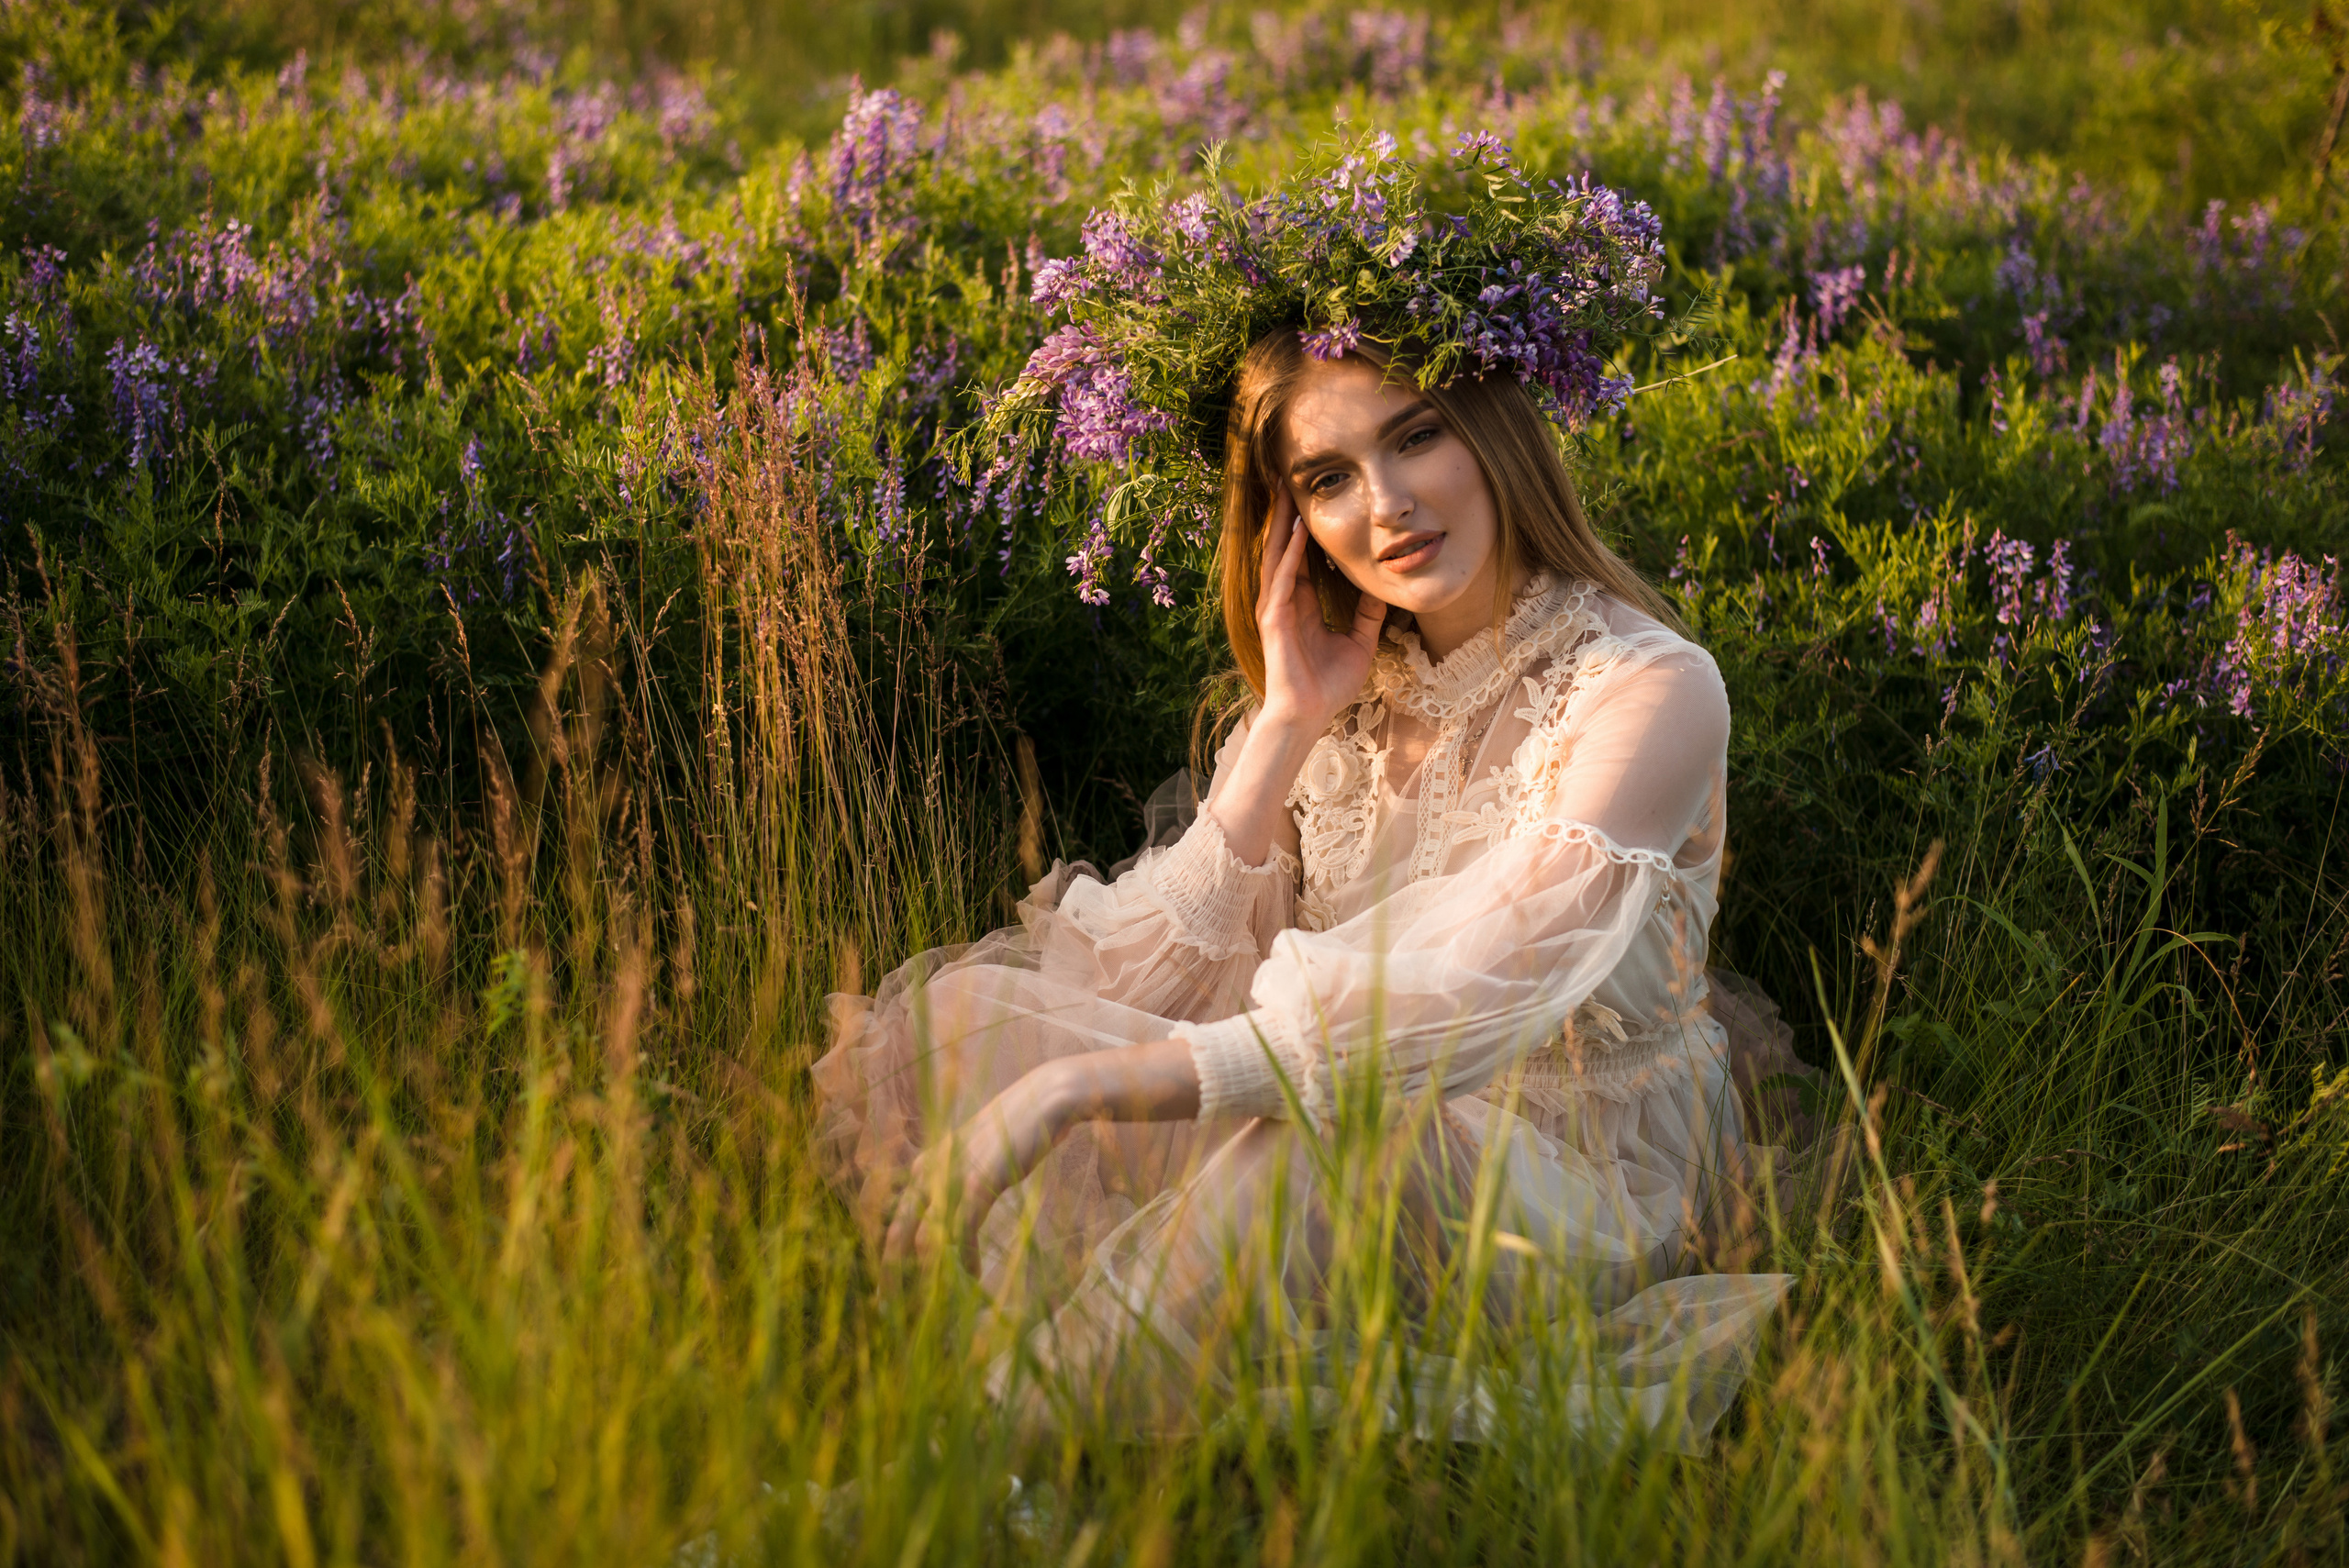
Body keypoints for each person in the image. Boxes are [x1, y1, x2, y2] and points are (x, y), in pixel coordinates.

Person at [814, 139, 1812, 1448]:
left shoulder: (1649, 685)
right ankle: (992, 1401)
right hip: (1357, 1098)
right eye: (1329, 478)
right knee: (972, 1024)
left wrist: (1076, 1092)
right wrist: (1287, 720)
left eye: (1417, 436)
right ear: (1288, 517)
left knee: (1300, 1143)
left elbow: (1481, 985)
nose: (1386, 505)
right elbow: (1147, 968)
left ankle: (984, 1453)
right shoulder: (1351, 682)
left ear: (1497, 426)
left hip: (1570, 1168)